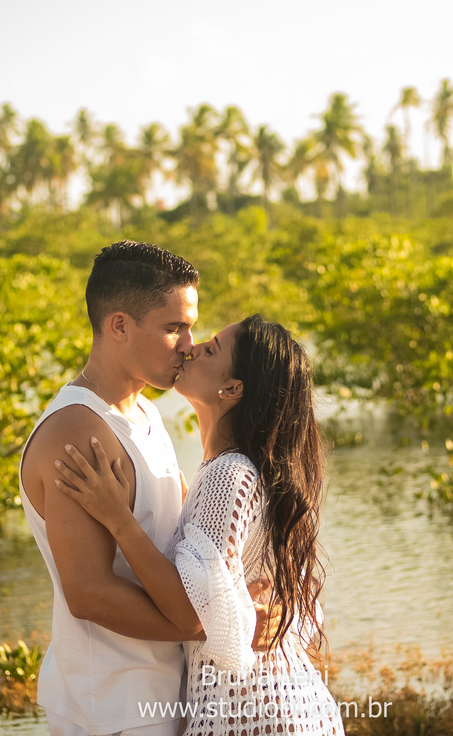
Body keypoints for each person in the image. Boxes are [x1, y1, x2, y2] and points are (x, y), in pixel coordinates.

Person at [18, 242, 280, 736]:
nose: (188, 343)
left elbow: (182, 550)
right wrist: (205, 625)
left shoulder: (146, 415)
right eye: (172, 328)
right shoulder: (76, 431)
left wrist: (238, 606)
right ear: (119, 326)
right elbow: (88, 593)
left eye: (190, 326)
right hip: (112, 708)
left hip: (169, 700)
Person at [53, 314, 345, 736]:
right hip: (280, 707)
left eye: (210, 349)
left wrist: (118, 518)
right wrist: (242, 613)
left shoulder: (229, 476)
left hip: (255, 713)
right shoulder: (237, 471)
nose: (190, 348)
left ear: (231, 389)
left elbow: (190, 608)